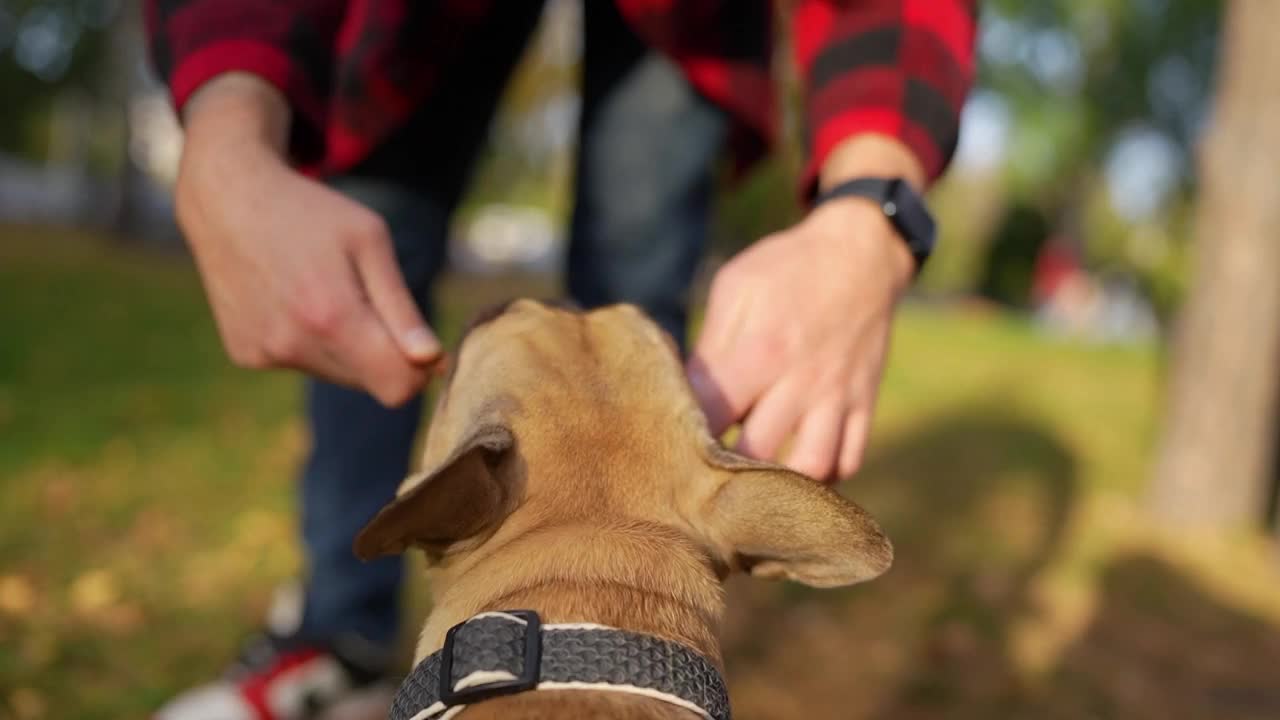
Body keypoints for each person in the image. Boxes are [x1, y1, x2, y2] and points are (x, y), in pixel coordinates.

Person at [145, 1, 975, 717]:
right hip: (405, 27)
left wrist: (871, 213)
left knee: (636, 262)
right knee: (360, 248)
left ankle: (622, 634)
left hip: (685, 23)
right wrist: (228, 136)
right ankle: (337, 641)